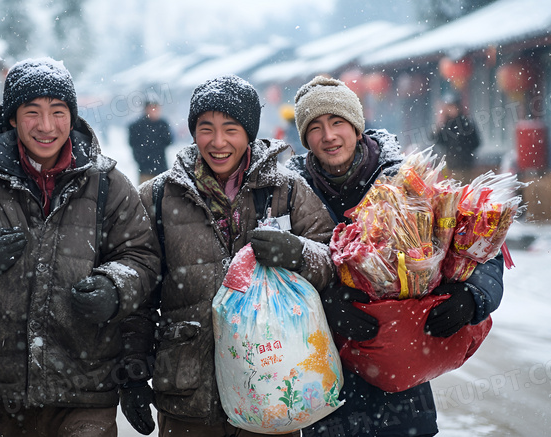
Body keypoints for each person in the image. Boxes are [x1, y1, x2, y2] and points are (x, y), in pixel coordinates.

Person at [0, 57, 161, 437]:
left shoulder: (107, 184)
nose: (46, 126)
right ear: (12, 117)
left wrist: (115, 287)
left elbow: (142, 258)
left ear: (73, 115)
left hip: (86, 387)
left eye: (58, 112)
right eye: (32, 112)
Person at [286, 76, 505, 437]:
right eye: (315, 127)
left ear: (357, 128)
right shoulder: (290, 195)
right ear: (305, 138)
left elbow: (479, 246)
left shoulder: (408, 181)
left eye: (337, 122)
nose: (328, 136)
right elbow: (275, 279)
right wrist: (324, 304)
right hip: (324, 385)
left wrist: (473, 296)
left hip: (404, 389)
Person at [131, 75, 337, 437]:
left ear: (250, 133)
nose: (219, 141)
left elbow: (334, 261)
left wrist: (299, 254)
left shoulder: (286, 189)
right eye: (206, 128)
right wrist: (132, 370)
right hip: (189, 394)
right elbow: (138, 290)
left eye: (231, 128)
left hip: (274, 386)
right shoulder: (159, 197)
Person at [434, 93, 481, 183]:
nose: (451, 110)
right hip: (450, 165)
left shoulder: (466, 123)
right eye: (448, 108)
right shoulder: (446, 124)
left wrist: (465, 151)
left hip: (465, 166)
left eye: (452, 107)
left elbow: (476, 142)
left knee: (463, 189)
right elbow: (437, 140)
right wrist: (439, 123)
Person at [128, 100, 173, 184]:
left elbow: (169, 141)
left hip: (161, 167)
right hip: (145, 169)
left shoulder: (162, 124)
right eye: (152, 109)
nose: (155, 111)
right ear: (146, 109)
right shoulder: (137, 126)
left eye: (157, 109)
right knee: (145, 194)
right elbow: (133, 144)